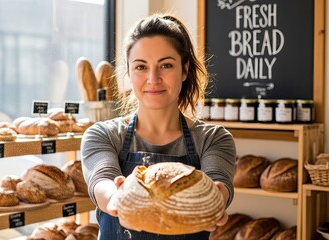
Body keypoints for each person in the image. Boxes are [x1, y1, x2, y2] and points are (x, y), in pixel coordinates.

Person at [81, 13, 236, 240]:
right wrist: (118, 201)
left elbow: (218, 187)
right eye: (141, 67)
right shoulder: (102, 135)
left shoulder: (214, 138)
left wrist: (217, 201)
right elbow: (102, 181)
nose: (153, 78)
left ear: (184, 70)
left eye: (166, 65)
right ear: (129, 73)